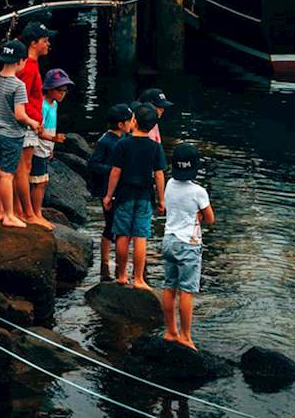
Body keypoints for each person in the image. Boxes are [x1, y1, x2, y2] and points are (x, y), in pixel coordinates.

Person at [103, 104, 166, 290]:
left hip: (124, 195)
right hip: (145, 196)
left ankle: (121, 275)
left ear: (135, 121)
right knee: (140, 236)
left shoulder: (123, 143)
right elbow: (160, 174)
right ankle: (138, 278)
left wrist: (108, 195)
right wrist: (161, 199)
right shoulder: (155, 147)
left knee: (122, 234)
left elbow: (115, 171)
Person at [0, 40, 41, 228]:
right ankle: (9, 215)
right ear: (21, 61)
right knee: (7, 175)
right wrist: (33, 123)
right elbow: (20, 115)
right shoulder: (18, 85)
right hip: (12, 135)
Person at [161, 143, 213, 351]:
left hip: (169, 240)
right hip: (188, 244)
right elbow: (210, 219)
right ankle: (185, 336)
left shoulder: (169, 184)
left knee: (169, 287)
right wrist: (199, 215)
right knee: (186, 292)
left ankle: (170, 331)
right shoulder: (198, 191)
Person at [88, 103, 135, 281]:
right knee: (111, 226)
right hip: (107, 190)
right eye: (131, 121)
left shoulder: (122, 140)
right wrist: (114, 169)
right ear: (121, 124)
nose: (133, 123)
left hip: (117, 190)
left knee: (114, 226)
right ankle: (106, 262)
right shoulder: (106, 142)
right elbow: (93, 165)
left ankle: (110, 264)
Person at [13, 21, 53, 227]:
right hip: (26, 123)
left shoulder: (30, 64)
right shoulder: (28, 67)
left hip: (29, 121)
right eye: (45, 41)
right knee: (23, 168)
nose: (48, 44)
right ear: (34, 43)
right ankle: (27, 213)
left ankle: (19, 210)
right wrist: (33, 122)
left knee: (22, 167)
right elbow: (22, 98)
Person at [29, 68, 73, 228]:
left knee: (40, 181)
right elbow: (39, 131)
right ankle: (35, 212)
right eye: (59, 90)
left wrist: (51, 147)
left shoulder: (53, 104)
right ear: (49, 89)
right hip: (38, 147)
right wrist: (54, 139)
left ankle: (35, 210)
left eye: (65, 90)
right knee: (39, 182)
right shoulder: (43, 106)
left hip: (45, 147)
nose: (63, 93)